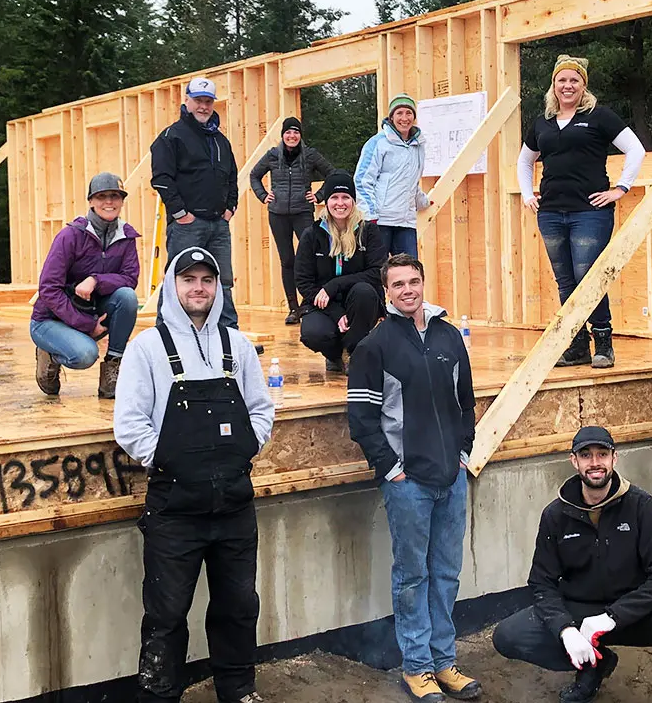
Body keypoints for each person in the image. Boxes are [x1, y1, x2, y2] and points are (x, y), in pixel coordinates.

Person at [113, 246, 274, 703]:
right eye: (189, 280)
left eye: (207, 280)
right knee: (166, 614)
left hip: (235, 507)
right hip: (175, 511)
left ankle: (239, 691)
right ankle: (161, 695)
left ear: (216, 288)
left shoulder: (237, 345)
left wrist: (246, 447)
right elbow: (129, 424)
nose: (198, 288)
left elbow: (261, 409)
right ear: (173, 286)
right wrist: (166, 458)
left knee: (239, 607)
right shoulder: (148, 347)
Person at [347, 253, 481, 703]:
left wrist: (463, 453)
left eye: (414, 281)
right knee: (412, 577)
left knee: (446, 573)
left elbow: (467, 402)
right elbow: (362, 419)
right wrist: (392, 470)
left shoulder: (447, 336)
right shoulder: (375, 346)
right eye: (398, 284)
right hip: (409, 483)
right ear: (387, 291)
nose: (408, 289)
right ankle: (417, 667)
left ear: (424, 283)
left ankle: (444, 662)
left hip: (451, 477)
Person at [492, 426, 652, 703]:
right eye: (586, 455)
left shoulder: (640, 505)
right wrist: (565, 629)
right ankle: (595, 665)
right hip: (580, 613)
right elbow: (541, 583)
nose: (595, 463)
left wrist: (613, 616)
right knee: (508, 635)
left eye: (602, 454)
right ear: (574, 461)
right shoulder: (555, 516)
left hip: (633, 613)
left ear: (614, 459)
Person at [517, 54, 645, 369]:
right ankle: (576, 346)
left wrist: (621, 188)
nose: (568, 85)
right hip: (550, 212)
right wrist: (526, 193)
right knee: (565, 280)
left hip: (590, 212)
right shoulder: (542, 123)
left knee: (588, 276)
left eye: (574, 80)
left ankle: (603, 341)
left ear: (583, 85)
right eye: (562, 80)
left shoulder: (598, 116)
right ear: (554, 85)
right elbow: (524, 160)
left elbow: (635, 149)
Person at [30, 172, 141, 399]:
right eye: (102, 196)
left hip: (89, 312)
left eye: (115, 196)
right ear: (91, 201)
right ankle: (49, 355)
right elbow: (49, 288)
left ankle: (113, 366)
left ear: (122, 201)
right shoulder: (70, 236)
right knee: (84, 356)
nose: (109, 202)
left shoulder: (126, 237)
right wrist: (86, 324)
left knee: (127, 297)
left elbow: (129, 277)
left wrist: (96, 280)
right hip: (50, 320)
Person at [151, 77, 241, 329]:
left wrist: (229, 209)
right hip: (187, 226)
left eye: (208, 102)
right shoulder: (172, 137)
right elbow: (161, 178)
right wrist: (181, 213)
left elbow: (231, 177)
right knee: (178, 278)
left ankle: (228, 334)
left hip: (218, 225)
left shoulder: (220, 141)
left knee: (222, 280)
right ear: (186, 100)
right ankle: (165, 333)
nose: (203, 106)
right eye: (198, 100)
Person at [294, 172, 386, 373]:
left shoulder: (368, 231)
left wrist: (334, 285)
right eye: (334, 197)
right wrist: (336, 313)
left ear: (353, 201)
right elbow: (303, 281)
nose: (340, 203)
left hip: (359, 301)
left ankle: (356, 352)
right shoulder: (312, 234)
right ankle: (335, 354)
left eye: (346, 197)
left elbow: (377, 272)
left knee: (364, 291)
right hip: (323, 304)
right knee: (313, 334)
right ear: (326, 202)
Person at [249, 116, 335, 325]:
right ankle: (293, 308)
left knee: (310, 258)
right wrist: (263, 195)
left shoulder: (311, 155)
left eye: (296, 132)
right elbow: (254, 175)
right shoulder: (273, 155)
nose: (292, 135)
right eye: (288, 132)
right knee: (287, 260)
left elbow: (333, 173)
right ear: (283, 135)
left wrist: (319, 195)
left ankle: (310, 303)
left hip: (302, 213)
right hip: (277, 214)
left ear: (300, 136)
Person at [354, 94, 429, 258]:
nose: (404, 118)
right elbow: (361, 181)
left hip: (406, 221)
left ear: (414, 117)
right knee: (377, 271)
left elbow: (411, 182)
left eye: (409, 113)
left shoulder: (418, 146)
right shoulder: (378, 143)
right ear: (391, 117)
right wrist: (370, 215)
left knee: (409, 271)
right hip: (381, 221)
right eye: (399, 113)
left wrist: (423, 201)